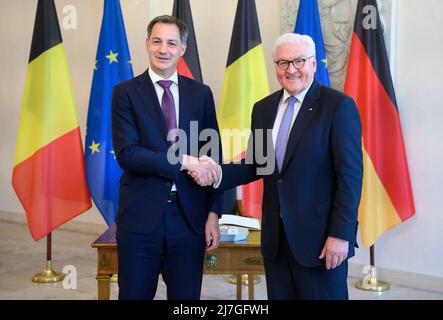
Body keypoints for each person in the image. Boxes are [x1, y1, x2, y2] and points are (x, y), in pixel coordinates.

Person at [191, 33, 363, 299]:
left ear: (314, 64)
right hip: (276, 242)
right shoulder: (264, 108)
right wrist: (216, 172)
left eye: (299, 61)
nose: (291, 69)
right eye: (283, 63)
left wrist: (341, 235)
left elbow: (350, 176)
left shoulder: (337, 106)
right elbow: (256, 165)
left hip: (321, 242)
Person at [111, 15, 223, 300]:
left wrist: (213, 214)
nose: (164, 49)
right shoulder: (125, 94)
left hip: (189, 219)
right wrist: (185, 160)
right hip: (139, 219)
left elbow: (213, 156)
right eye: (157, 41)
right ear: (147, 44)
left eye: (171, 43)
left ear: (182, 49)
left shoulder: (201, 94)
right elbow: (128, 154)